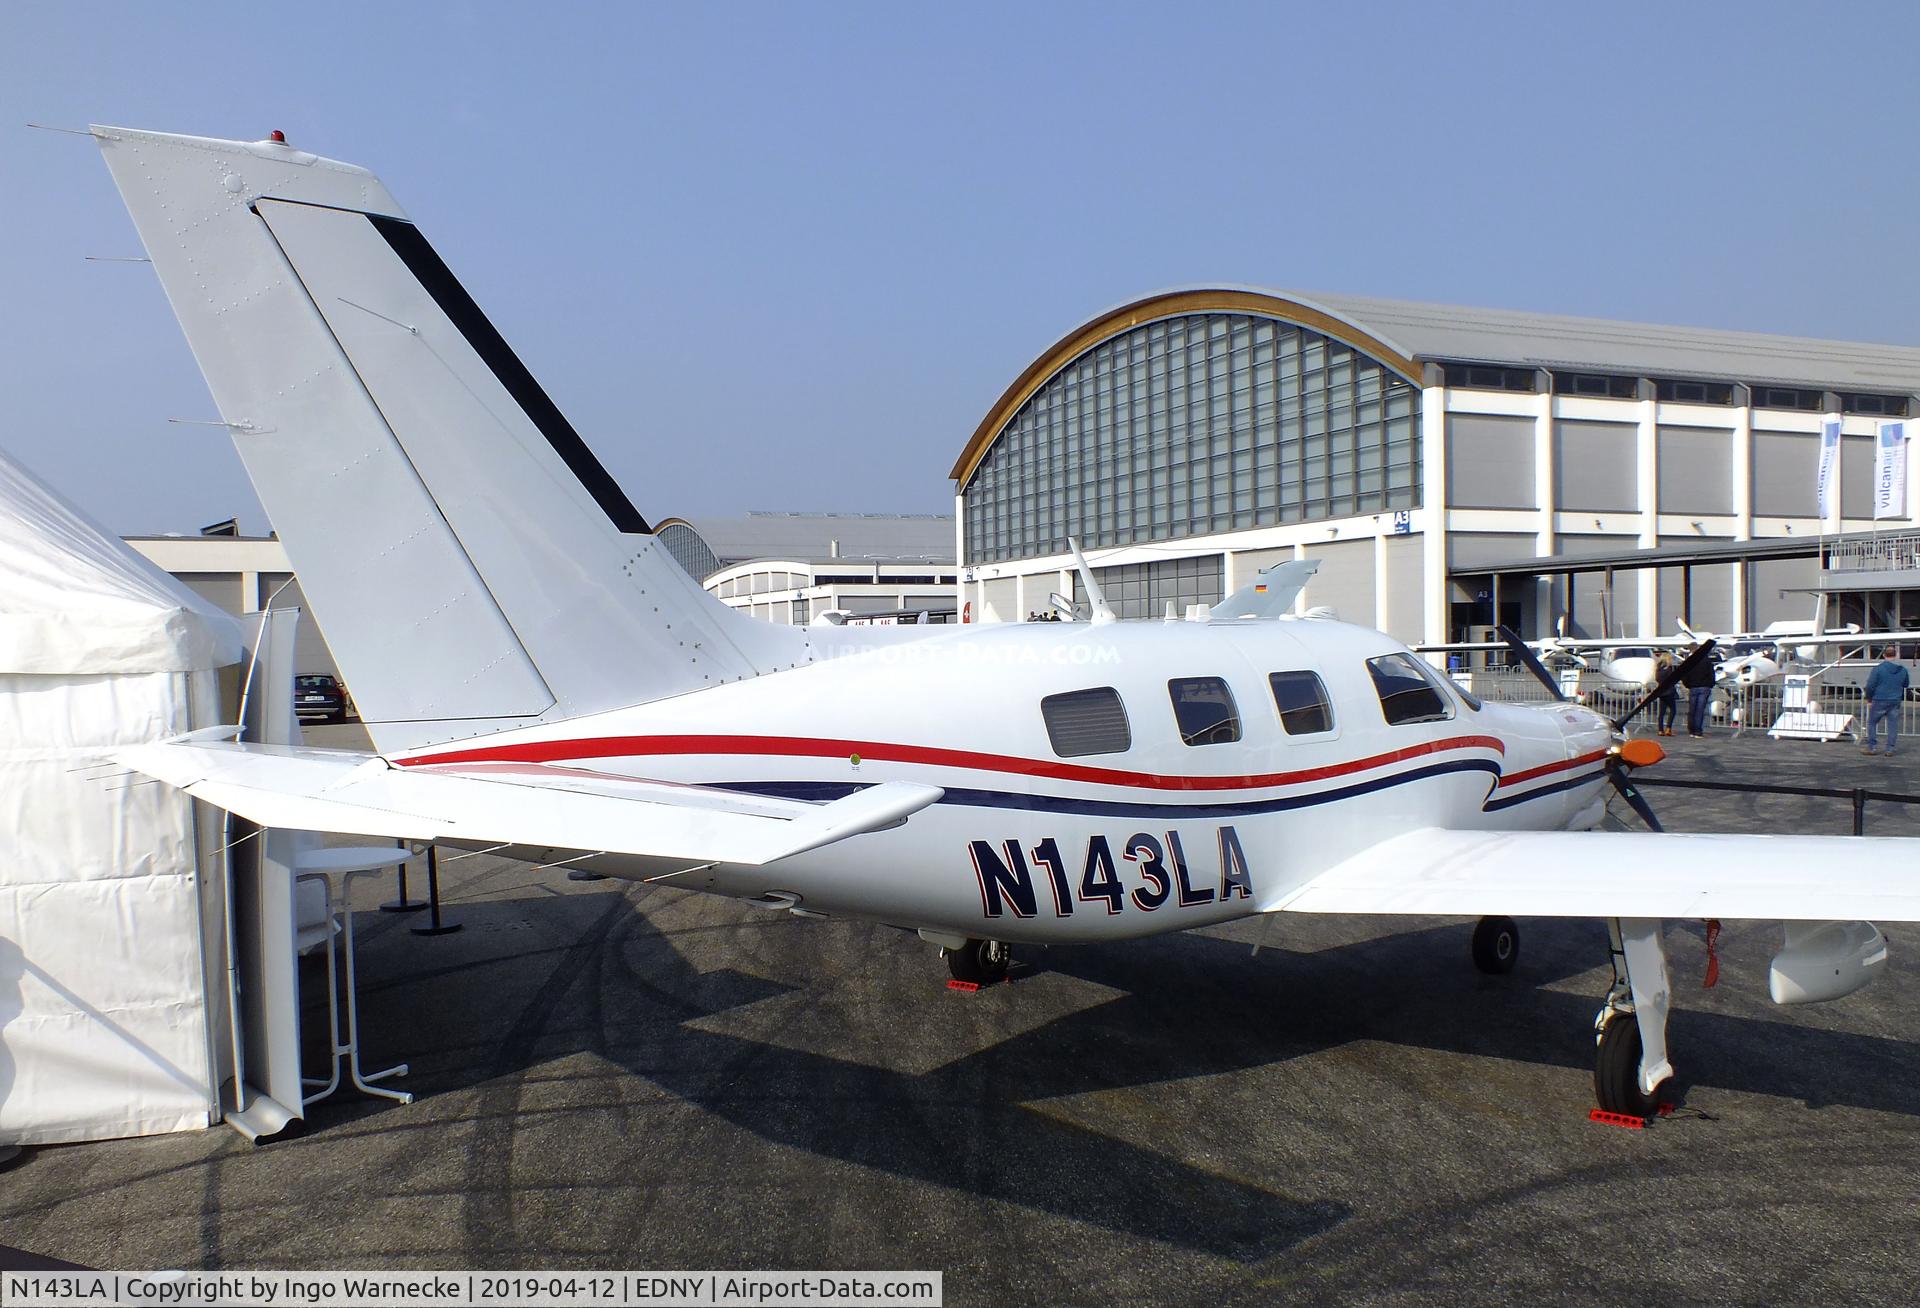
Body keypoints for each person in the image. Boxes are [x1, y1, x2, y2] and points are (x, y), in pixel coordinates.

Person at [1862, 646, 1911, 756]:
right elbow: (1906, 684)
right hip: (1895, 700)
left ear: (1884, 655)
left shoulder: (1878, 669)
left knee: (1872, 723)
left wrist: (1869, 698)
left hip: (1879, 699)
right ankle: (1890, 749)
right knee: (1892, 725)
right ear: (1896, 655)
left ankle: (1872, 747)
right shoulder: (1903, 670)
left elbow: (1870, 685)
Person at [1681, 644, 1716, 737]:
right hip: (1704, 687)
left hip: (1693, 687)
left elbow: (1684, 675)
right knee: (1700, 710)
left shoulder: (1689, 661)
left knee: (1692, 710)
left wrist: (1687, 685)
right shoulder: (1706, 660)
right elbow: (1711, 674)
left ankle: (1691, 730)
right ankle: (1698, 731)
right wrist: (1711, 684)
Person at [1651, 652, 1679, 737]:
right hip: (1669, 691)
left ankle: (1660, 729)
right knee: (1673, 710)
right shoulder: (1668, 669)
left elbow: (1657, 679)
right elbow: (1672, 680)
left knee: (1662, 712)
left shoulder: (1658, 669)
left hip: (1661, 692)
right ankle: (1668, 728)